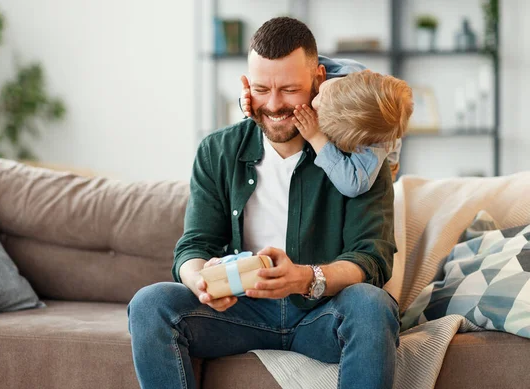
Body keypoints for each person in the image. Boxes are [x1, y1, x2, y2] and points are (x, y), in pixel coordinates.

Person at [128, 16, 400, 389]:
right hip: (241, 312)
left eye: (289, 89)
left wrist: (305, 278)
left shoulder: (360, 157)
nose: (273, 105)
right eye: (261, 88)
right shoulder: (218, 151)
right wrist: (200, 281)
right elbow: (194, 246)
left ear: (319, 80)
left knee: (372, 305)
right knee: (149, 304)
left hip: (322, 313)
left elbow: (372, 258)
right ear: (246, 85)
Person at [240, 65, 412, 196]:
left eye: (321, 113)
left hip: (384, 166)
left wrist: (317, 137)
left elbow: (353, 185)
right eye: (322, 92)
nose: (314, 102)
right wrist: (248, 99)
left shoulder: (373, 145)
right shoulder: (341, 71)